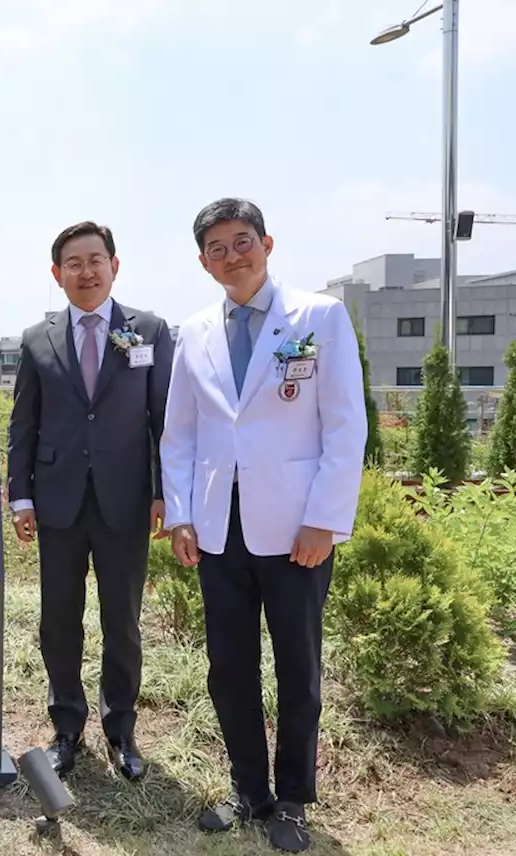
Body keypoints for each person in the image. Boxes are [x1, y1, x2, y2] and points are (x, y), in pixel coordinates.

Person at [160, 198, 365, 853]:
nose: (231, 256)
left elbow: (344, 424)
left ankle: (295, 800)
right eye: (215, 248)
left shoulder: (319, 317)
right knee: (229, 668)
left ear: (267, 244)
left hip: (296, 531)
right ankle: (250, 790)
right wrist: (183, 515)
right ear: (202, 261)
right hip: (220, 531)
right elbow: (180, 435)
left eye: (241, 241)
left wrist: (325, 519)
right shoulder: (192, 332)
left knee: (297, 668)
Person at [6, 221, 173, 779]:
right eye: (73, 263)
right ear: (57, 275)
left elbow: (162, 420)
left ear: (114, 265)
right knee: (59, 620)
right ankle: (66, 728)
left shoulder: (147, 330)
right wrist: (20, 496)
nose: (86, 271)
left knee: (122, 620)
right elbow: (23, 424)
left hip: (126, 501)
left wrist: (162, 491)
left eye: (95, 260)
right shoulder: (37, 338)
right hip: (56, 503)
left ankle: (121, 730)